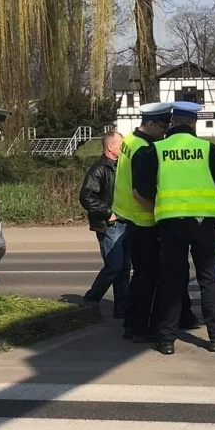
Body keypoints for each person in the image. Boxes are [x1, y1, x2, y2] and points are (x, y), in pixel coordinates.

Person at [133, 100, 215, 355]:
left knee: (171, 280)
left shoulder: (156, 149)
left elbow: (143, 189)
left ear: (172, 121)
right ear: (194, 122)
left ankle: (166, 340)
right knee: (209, 279)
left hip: (170, 223)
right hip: (203, 223)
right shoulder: (206, 148)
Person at [113, 102, 172, 342]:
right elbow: (139, 192)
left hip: (130, 218)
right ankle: (140, 327)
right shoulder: (144, 150)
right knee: (148, 278)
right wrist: (159, 214)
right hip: (145, 221)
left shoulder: (129, 140)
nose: (166, 130)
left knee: (140, 276)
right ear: (150, 123)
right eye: (163, 125)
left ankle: (131, 323)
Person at [79, 130, 129, 316]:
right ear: (110, 147)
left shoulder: (121, 166)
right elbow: (86, 197)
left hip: (125, 222)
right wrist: (108, 213)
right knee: (114, 266)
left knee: (124, 268)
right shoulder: (99, 169)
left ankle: (122, 308)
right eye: (121, 144)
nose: (124, 148)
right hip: (110, 225)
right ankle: (91, 298)